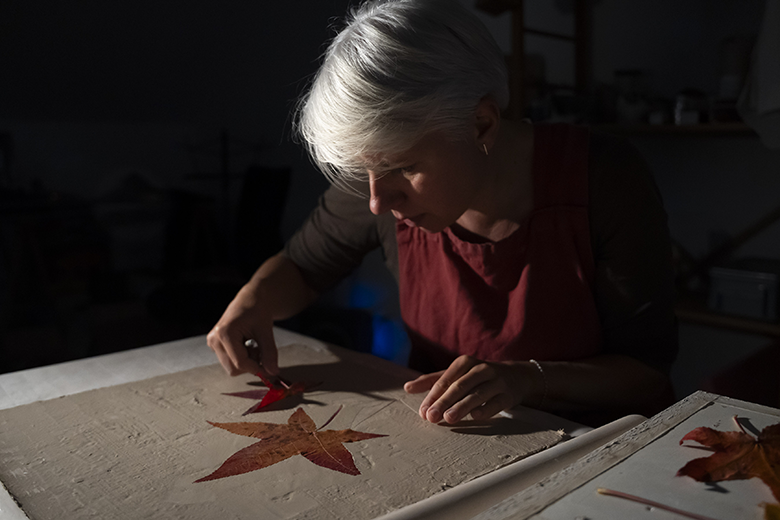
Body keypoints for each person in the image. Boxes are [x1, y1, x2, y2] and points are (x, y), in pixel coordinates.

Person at [207, 0, 678, 426]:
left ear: (481, 123)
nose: (376, 201)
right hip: (453, 442)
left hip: (601, 447)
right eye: (364, 170)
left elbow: (645, 374)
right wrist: (255, 300)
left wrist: (528, 380)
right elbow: (303, 267)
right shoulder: (381, 184)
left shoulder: (605, 178)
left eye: (403, 167)